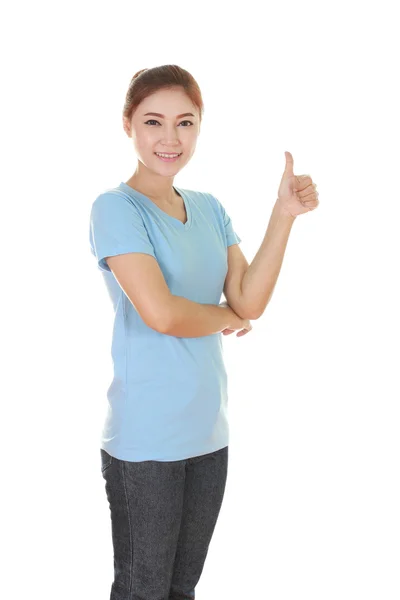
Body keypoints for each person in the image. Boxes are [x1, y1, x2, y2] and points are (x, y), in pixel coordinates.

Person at [89, 64, 252, 600]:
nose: (169, 138)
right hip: (147, 440)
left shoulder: (210, 208)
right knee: (144, 589)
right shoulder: (115, 208)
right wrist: (227, 316)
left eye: (185, 123)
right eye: (153, 121)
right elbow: (162, 313)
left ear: (199, 129)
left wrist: (285, 214)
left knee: (182, 590)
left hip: (209, 433)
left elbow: (249, 297)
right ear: (128, 125)